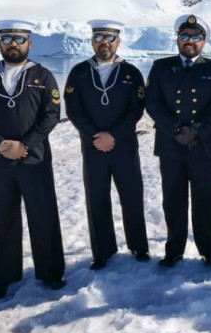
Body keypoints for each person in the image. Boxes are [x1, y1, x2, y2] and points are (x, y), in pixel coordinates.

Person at [0, 19, 65, 299]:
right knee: (1, 218)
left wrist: (25, 144)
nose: (13, 44)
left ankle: (51, 273)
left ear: (29, 43)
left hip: (35, 159)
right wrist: (0, 144)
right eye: (7, 39)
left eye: (19, 39)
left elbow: (51, 115)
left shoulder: (43, 75)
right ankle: (3, 276)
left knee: (43, 216)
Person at [145, 14, 211, 268]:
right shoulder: (161, 67)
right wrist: (175, 130)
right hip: (171, 144)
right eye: (184, 36)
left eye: (195, 37)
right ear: (177, 39)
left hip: (202, 145)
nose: (189, 41)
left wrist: (195, 130)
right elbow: (152, 102)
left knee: (204, 198)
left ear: (203, 41)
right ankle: (174, 250)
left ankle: (208, 250)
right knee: (173, 198)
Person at [64, 19, 150, 270]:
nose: (104, 42)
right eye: (99, 37)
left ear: (118, 41)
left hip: (124, 147)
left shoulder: (131, 72)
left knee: (132, 196)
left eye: (109, 38)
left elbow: (136, 110)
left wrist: (113, 135)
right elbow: (74, 110)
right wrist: (95, 136)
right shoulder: (79, 72)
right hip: (92, 148)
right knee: (97, 198)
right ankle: (102, 251)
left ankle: (139, 246)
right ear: (92, 41)